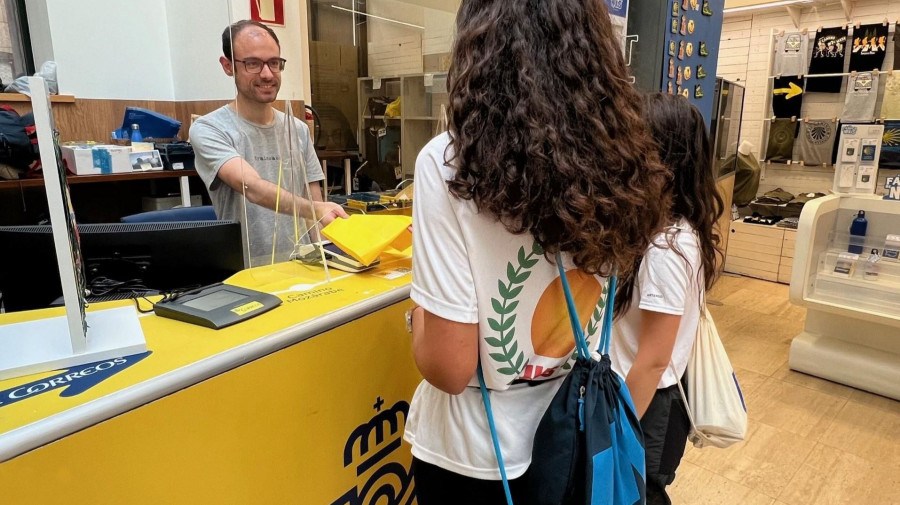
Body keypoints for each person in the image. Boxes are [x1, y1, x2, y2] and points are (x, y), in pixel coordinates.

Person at [402, 1, 671, 503]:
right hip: (578, 435)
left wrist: (418, 317)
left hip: (478, 457)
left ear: (477, 49)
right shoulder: (623, 157)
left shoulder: (448, 164)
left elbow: (449, 367)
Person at [611, 93, 725, 505]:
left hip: (649, 405)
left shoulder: (665, 247)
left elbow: (654, 358)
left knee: (642, 494)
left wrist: (616, 425)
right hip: (651, 399)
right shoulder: (674, 232)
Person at [190, 20, 347, 263]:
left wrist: (330, 258)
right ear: (228, 66)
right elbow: (250, 186)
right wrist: (315, 209)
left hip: (304, 267)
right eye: (253, 63)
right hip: (247, 273)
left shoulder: (298, 129)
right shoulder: (209, 129)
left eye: (274, 63)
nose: (267, 74)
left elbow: (316, 207)